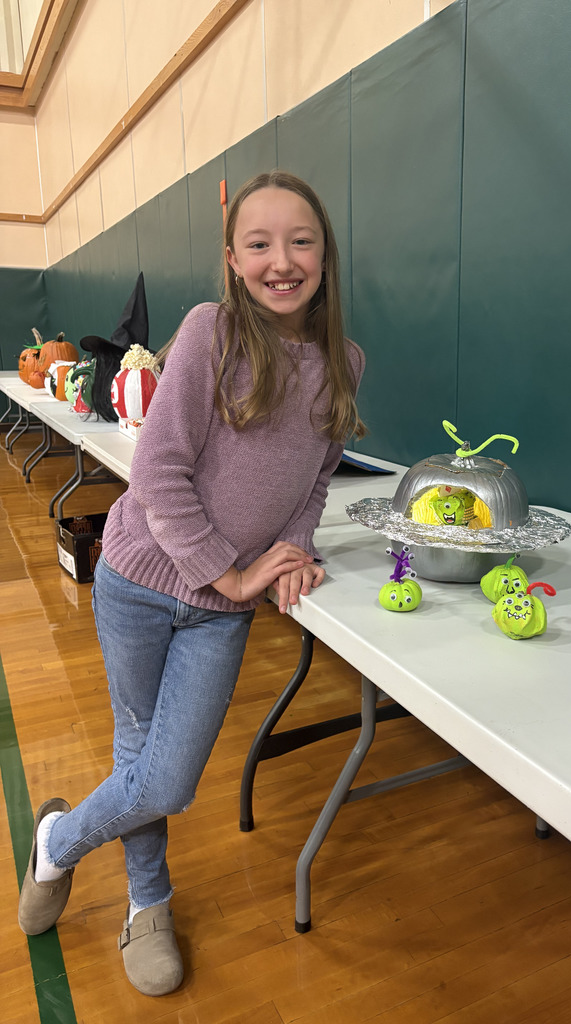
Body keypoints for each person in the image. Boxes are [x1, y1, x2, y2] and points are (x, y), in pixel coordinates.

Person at [17, 170, 366, 996]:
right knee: (141, 756)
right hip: (139, 583)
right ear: (232, 258)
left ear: (326, 253)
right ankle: (149, 903)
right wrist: (234, 571)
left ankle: (57, 841)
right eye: (260, 243)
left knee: (164, 776)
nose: (282, 260)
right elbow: (160, 474)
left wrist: (293, 549)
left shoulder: (344, 361)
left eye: (301, 240)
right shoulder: (210, 332)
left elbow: (314, 480)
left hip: (221, 613)